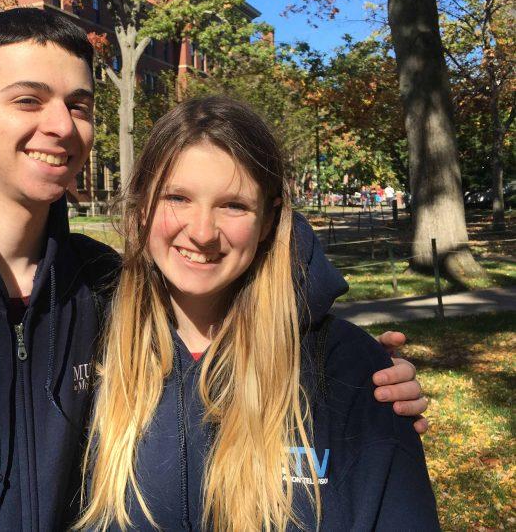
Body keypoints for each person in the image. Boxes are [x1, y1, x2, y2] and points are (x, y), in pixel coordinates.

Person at [0, 8, 427, 530]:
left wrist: (352, 373)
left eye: (78, 104)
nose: (61, 125)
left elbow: (235, 273)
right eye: (27, 99)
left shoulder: (110, 293)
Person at [78, 97, 438, 531]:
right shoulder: (85, 345)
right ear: (141, 209)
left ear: (268, 220)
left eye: (234, 205)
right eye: (177, 197)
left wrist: (371, 373)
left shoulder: (351, 371)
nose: (202, 232)